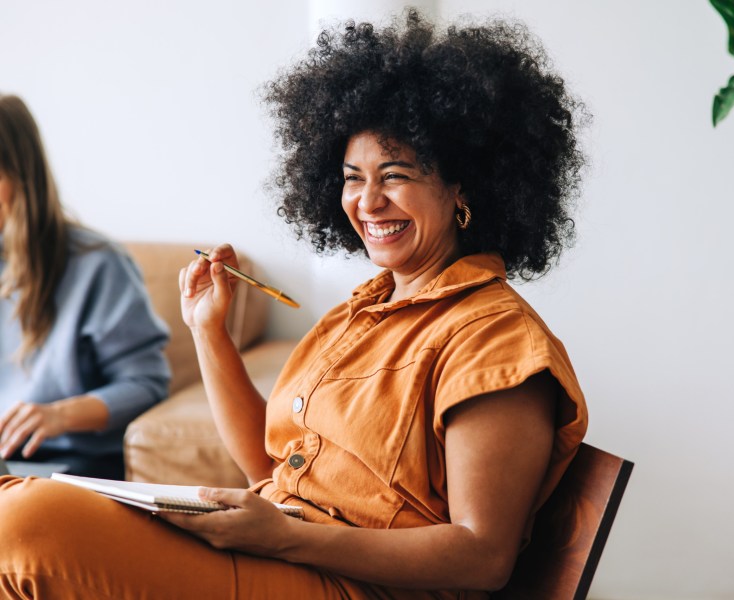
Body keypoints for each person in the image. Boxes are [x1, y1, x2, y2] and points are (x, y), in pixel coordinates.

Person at [0, 10, 588, 599]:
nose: (368, 201)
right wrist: (209, 331)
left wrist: (285, 538)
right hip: (284, 556)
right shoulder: (359, 314)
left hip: (348, 584)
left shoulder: (496, 337)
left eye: (396, 175)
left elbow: (481, 557)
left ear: (465, 187)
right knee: (11, 500)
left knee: (25, 527)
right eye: (352, 177)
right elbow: (266, 463)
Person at [0, 94, 171, 480]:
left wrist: (58, 414)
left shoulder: (97, 264)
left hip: (64, 469)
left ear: (21, 177)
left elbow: (146, 384)